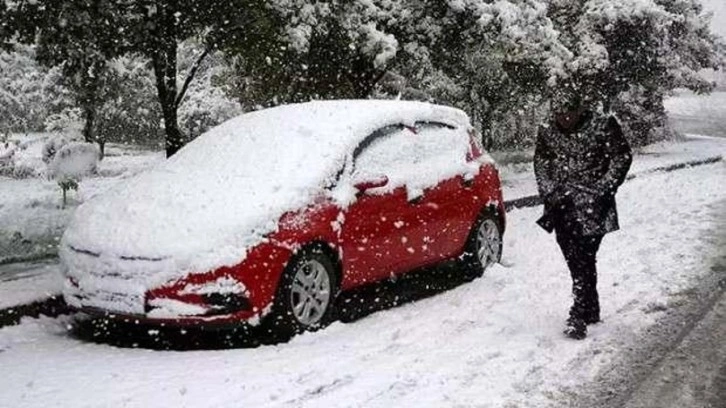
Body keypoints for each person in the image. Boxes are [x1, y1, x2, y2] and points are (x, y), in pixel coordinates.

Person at [534, 98, 632, 340]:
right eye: (559, 112)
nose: (564, 118)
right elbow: (541, 162)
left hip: (593, 207)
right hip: (561, 205)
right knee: (574, 257)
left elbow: (622, 156)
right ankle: (591, 307)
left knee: (583, 256)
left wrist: (602, 188)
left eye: (570, 112)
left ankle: (578, 313)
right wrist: (548, 190)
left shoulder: (602, 125)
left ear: (581, 110)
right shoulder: (547, 130)